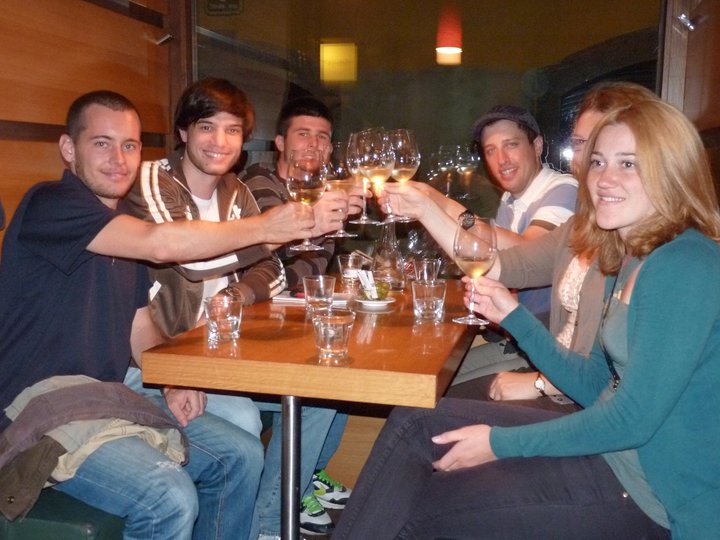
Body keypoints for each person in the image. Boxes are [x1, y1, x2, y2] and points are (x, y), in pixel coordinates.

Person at [334, 98, 720, 539]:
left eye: (628, 163)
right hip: (621, 459)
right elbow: (594, 385)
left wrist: (499, 443)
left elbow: (632, 420)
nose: (604, 178)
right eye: (598, 161)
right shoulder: (632, 256)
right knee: (414, 422)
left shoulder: (685, 265)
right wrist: (515, 317)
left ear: (672, 171)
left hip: (657, 497)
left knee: (425, 509)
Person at [0, 90, 316, 539]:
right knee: (168, 494)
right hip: (36, 405)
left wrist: (172, 379)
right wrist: (265, 227)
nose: (118, 159)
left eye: (129, 145)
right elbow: (162, 244)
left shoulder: (122, 231)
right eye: (102, 143)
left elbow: (140, 326)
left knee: (242, 455)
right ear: (69, 149)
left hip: (104, 397)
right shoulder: (51, 204)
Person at [449, 82, 661, 405]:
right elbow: (508, 264)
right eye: (582, 146)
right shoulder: (592, 228)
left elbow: (616, 395)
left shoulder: (669, 256)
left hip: (557, 380)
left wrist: (539, 384)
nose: (592, 166)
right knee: (428, 394)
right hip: (549, 362)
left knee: (428, 411)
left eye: (626, 162)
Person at [381, 105, 578, 384]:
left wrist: (436, 203)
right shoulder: (511, 199)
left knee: (433, 384)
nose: (502, 159)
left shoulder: (564, 189)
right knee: (420, 369)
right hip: (513, 337)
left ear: (537, 146)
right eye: (491, 150)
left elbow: (525, 255)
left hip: (545, 346)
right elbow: (489, 258)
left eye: (511, 145)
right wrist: (431, 200)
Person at [243, 95, 362, 538]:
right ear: (279, 142)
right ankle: (271, 520)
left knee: (342, 374)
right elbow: (281, 267)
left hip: (278, 324)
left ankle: (306, 480)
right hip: (246, 331)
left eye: (323, 137)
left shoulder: (318, 191)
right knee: (316, 393)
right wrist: (321, 224)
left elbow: (303, 269)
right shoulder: (259, 183)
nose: (314, 145)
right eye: (303, 134)